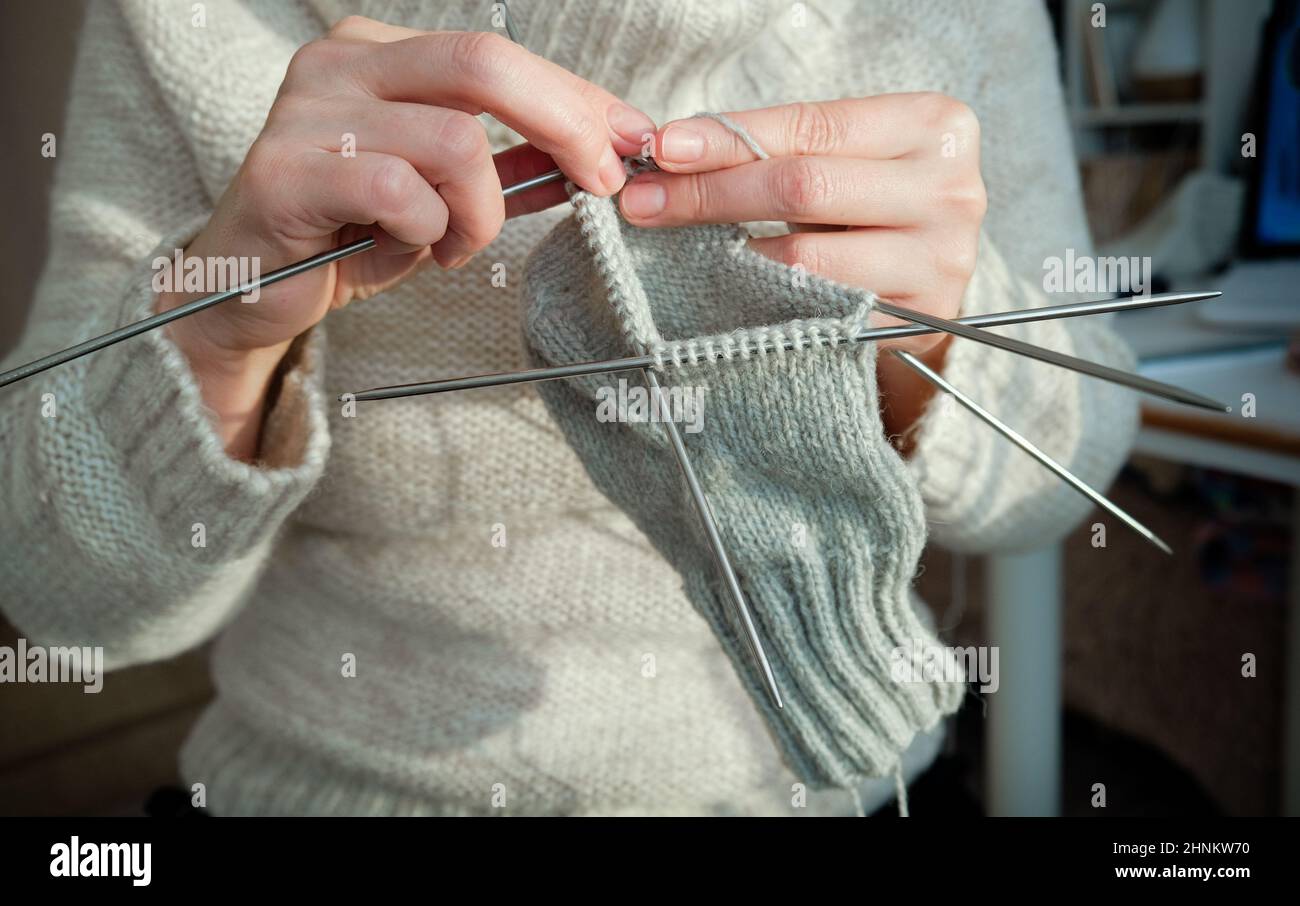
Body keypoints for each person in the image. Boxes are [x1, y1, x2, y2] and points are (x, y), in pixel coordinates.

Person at [0, 0, 1136, 815]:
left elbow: (1058, 473)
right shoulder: (180, 19)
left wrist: (935, 336)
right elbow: (61, 595)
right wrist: (218, 316)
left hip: (832, 787)